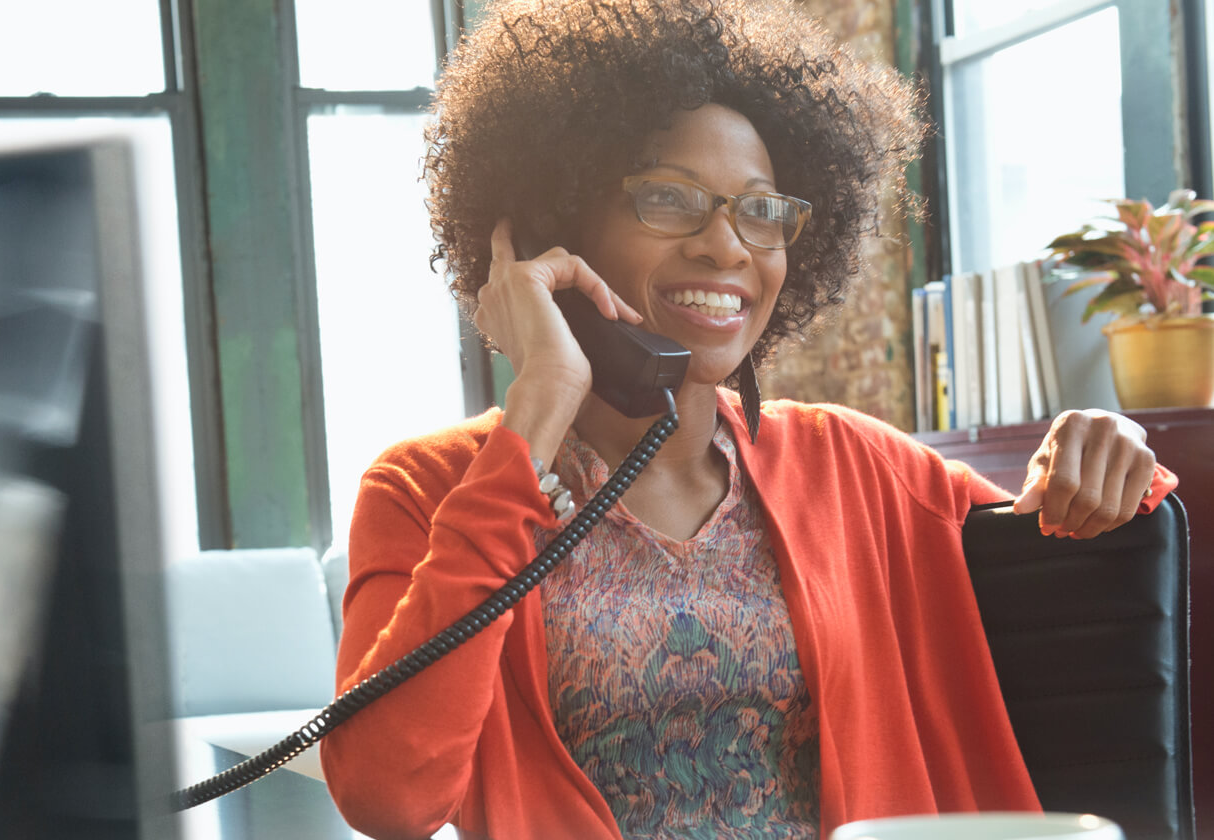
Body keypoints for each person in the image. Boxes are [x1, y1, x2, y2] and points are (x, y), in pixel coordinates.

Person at [318, 1, 1178, 838]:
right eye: (669, 198)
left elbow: (1063, 533)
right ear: (555, 228)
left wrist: (1107, 443)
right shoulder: (425, 491)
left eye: (760, 210)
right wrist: (538, 401)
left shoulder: (857, 467)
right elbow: (387, 797)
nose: (726, 246)